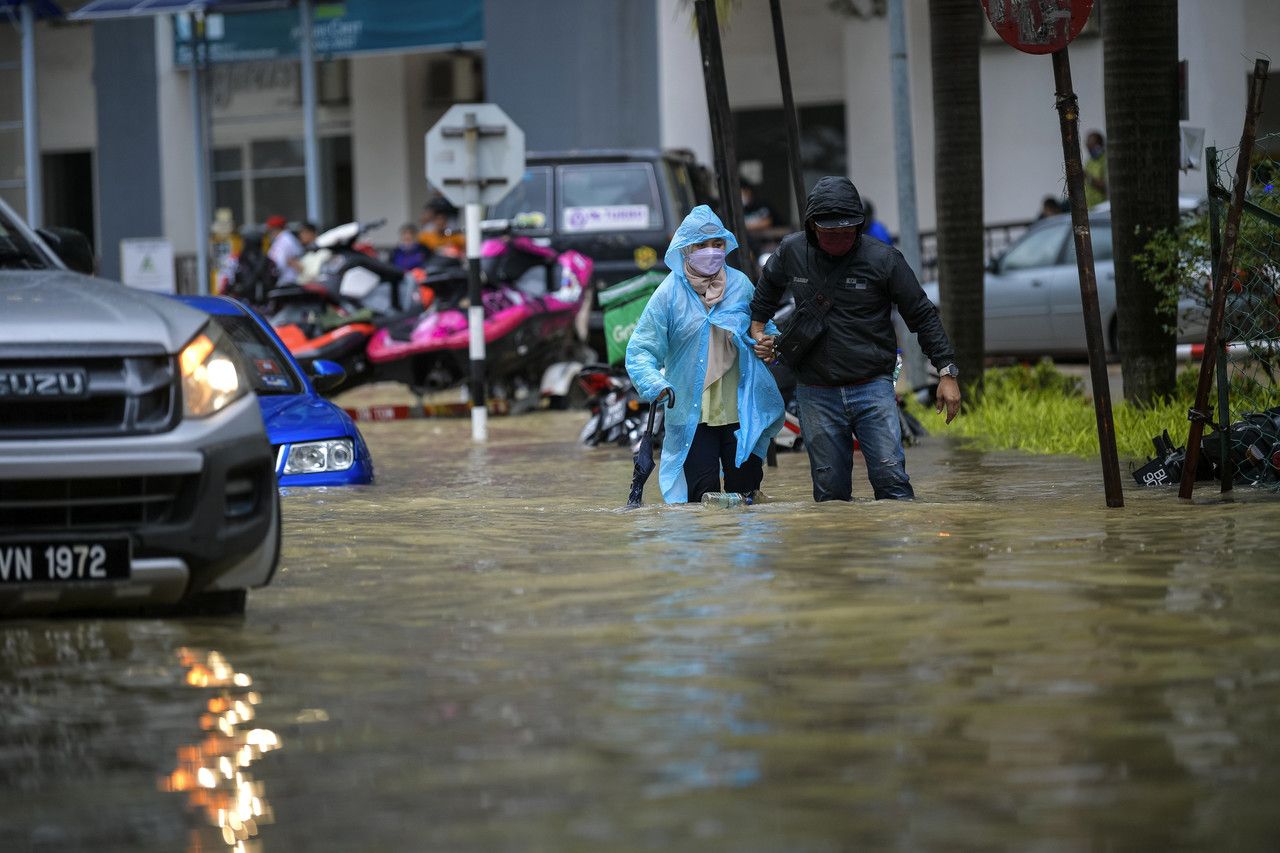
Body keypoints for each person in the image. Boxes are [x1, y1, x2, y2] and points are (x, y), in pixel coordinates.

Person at [748, 175, 961, 502]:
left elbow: (922, 314)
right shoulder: (792, 251)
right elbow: (765, 292)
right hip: (815, 391)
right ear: (813, 227)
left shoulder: (884, 259)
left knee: (892, 482)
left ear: (859, 227)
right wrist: (758, 331)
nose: (838, 240)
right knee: (830, 494)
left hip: (872, 387)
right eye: (830, 233)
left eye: (846, 232)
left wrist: (946, 372)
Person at [626, 205, 785, 504]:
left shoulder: (740, 286)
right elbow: (640, 350)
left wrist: (769, 343)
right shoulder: (668, 294)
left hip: (741, 410)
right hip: (692, 414)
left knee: (746, 496)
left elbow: (764, 328)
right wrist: (655, 384)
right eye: (701, 245)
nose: (711, 251)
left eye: (717, 244)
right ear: (686, 249)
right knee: (702, 499)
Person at [265, 215, 304, 285]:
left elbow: (283, 261)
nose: (269, 231)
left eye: (271, 228)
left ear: (275, 228)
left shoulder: (286, 239)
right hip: (284, 279)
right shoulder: (281, 238)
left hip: (289, 280)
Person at [1084, 131, 1107, 208]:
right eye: (1088, 147)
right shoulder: (1089, 162)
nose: (1090, 150)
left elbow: (1107, 186)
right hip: (1090, 207)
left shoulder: (1106, 160)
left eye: (1092, 146)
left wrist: (1088, 177)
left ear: (1101, 144)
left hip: (1103, 206)